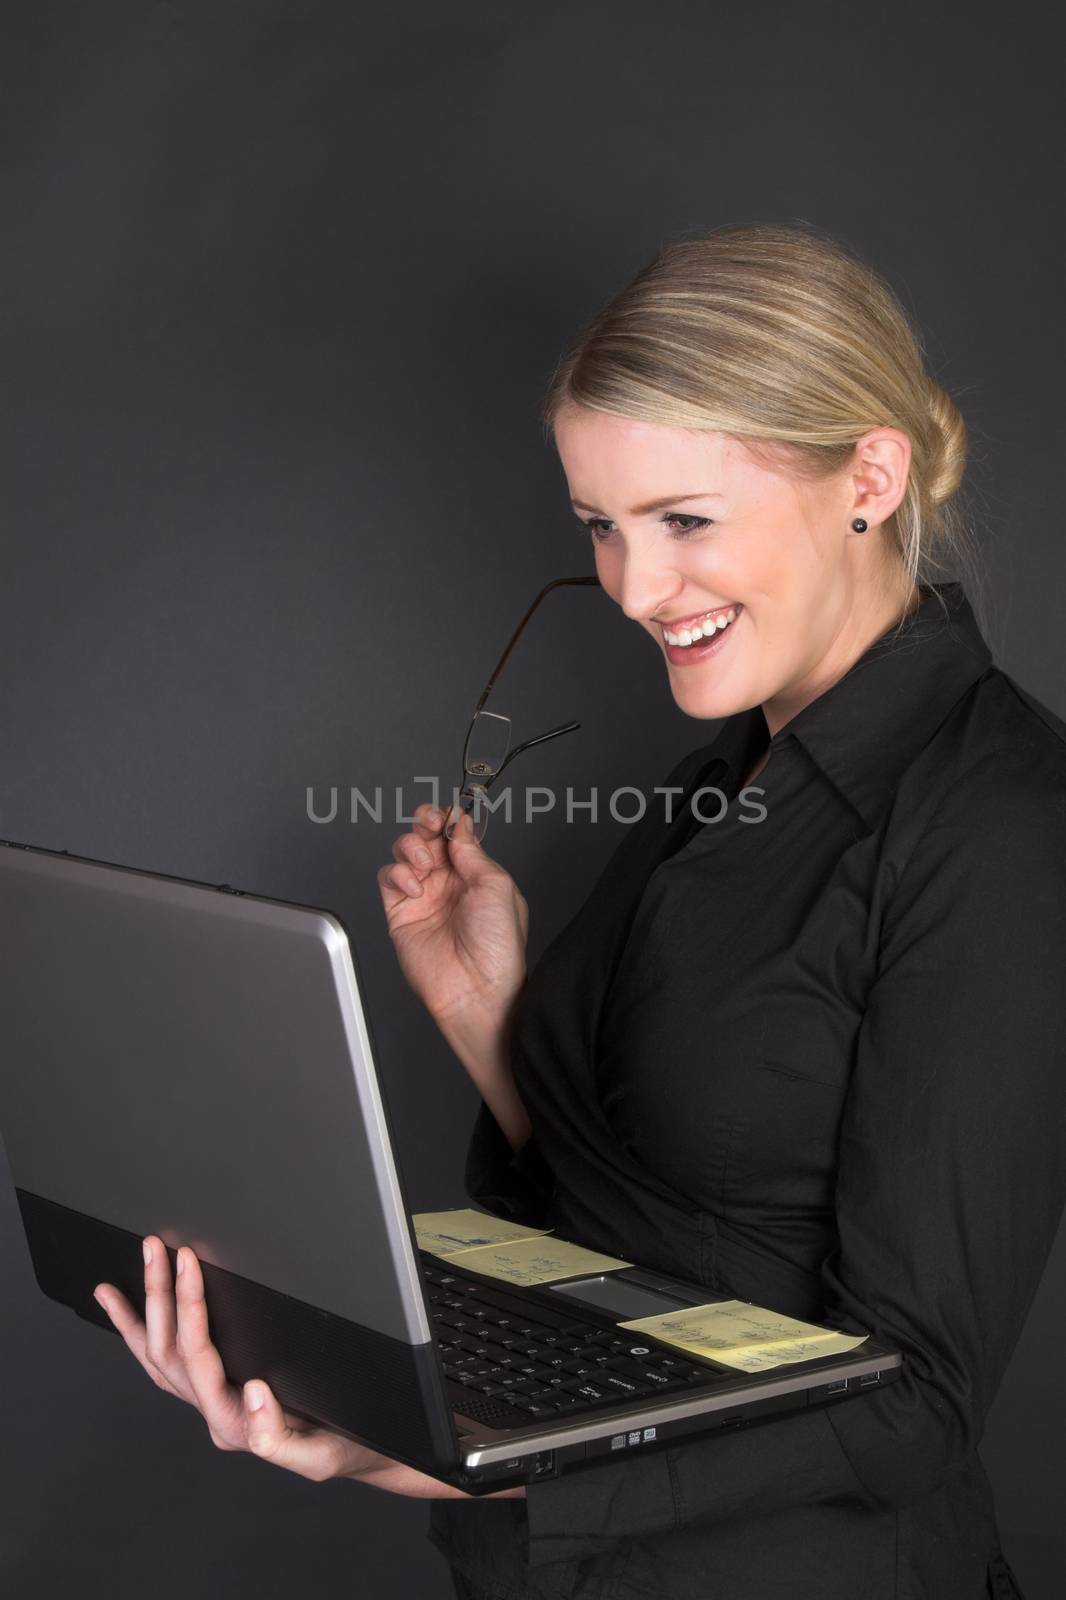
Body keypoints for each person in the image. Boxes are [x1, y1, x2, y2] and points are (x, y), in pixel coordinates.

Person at [94, 223, 1066, 1600]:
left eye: (683, 520)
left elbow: (914, 1404)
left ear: (868, 476)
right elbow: (657, 1227)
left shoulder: (999, 821)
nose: (633, 589)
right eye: (599, 528)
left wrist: (441, 1460)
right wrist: (487, 1012)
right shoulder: (714, 780)